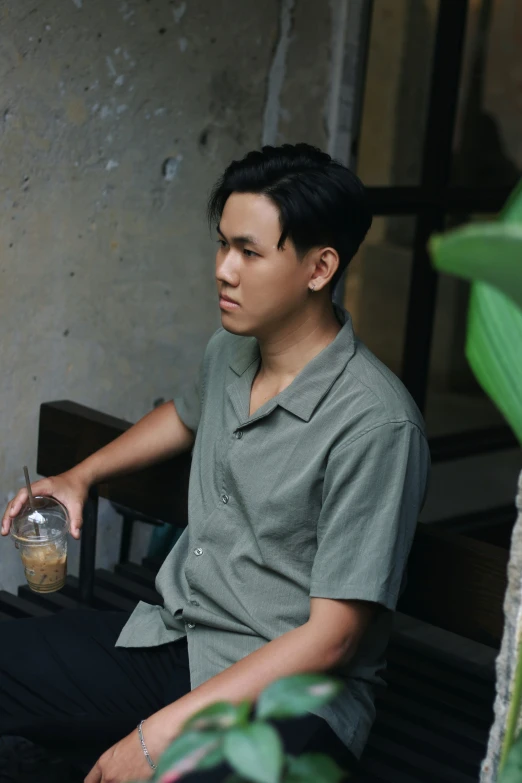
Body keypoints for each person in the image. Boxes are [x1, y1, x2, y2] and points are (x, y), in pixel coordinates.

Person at [1, 143, 430, 783]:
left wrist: (161, 735)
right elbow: (184, 414)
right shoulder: (232, 351)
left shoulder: (377, 424)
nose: (223, 270)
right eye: (223, 244)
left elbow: (331, 640)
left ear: (320, 268)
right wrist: (79, 477)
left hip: (290, 699)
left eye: (249, 252)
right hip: (182, 639)